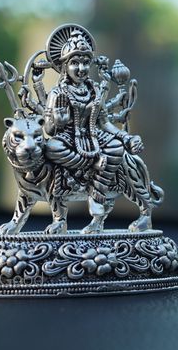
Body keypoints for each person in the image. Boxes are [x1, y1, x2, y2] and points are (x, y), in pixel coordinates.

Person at [44, 30, 143, 232]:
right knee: (51, 147)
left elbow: (104, 122)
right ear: (64, 66)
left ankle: (97, 199)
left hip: (94, 137)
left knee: (116, 147)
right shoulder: (57, 93)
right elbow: (48, 129)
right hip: (67, 139)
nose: (81, 69)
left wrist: (126, 137)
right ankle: (92, 165)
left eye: (85, 63)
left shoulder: (95, 90)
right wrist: (57, 121)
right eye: (74, 63)